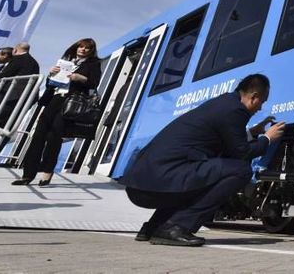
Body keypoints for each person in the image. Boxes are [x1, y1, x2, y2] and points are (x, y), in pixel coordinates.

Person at [120, 73, 285, 247]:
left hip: (145, 182)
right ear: (254, 97)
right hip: (157, 183)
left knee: (202, 173)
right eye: (262, 102)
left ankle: (154, 227)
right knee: (240, 170)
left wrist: (253, 132)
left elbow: (226, 140)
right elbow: (241, 153)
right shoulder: (235, 110)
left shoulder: (225, 103)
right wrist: (267, 138)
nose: (260, 108)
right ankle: (177, 227)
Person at [13, 38, 101, 186]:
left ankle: (47, 173)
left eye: (87, 48)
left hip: (69, 103)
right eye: (81, 46)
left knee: (54, 138)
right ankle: (27, 175)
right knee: (38, 136)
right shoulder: (65, 61)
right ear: (76, 47)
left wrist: (80, 78)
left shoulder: (93, 64)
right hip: (53, 101)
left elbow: (94, 83)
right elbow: (51, 84)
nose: (83, 50)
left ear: (91, 51)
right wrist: (51, 75)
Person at [0, 44, 40, 163]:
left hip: (11, 98)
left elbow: (7, 73)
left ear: (15, 50)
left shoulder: (18, 59)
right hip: (20, 99)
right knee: (3, 127)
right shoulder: (33, 62)